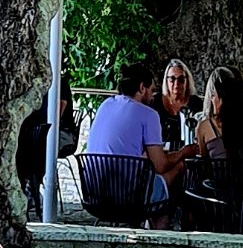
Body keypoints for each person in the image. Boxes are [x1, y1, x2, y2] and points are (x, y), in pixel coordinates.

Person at [83, 57, 196, 217]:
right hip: (128, 197)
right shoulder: (148, 114)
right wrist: (183, 152)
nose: (152, 96)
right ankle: (164, 226)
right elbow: (160, 166)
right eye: (151, 90)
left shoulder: (105, 105)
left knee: (151, 180)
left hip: (94, 192)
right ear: (142, 87)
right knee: (179, 168)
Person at [188, 66, 243, 223]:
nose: (211, 99)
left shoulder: (205, 127)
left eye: (214, 95)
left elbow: (202, 164)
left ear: (222, 98)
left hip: (214, 200)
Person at [16, 82, 79, 213]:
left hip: (60, 133)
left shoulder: (60, 84)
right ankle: (27, 187)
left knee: (35, 144)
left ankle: (30, 187)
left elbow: (56, 116)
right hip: (37, 134)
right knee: (25, 144)